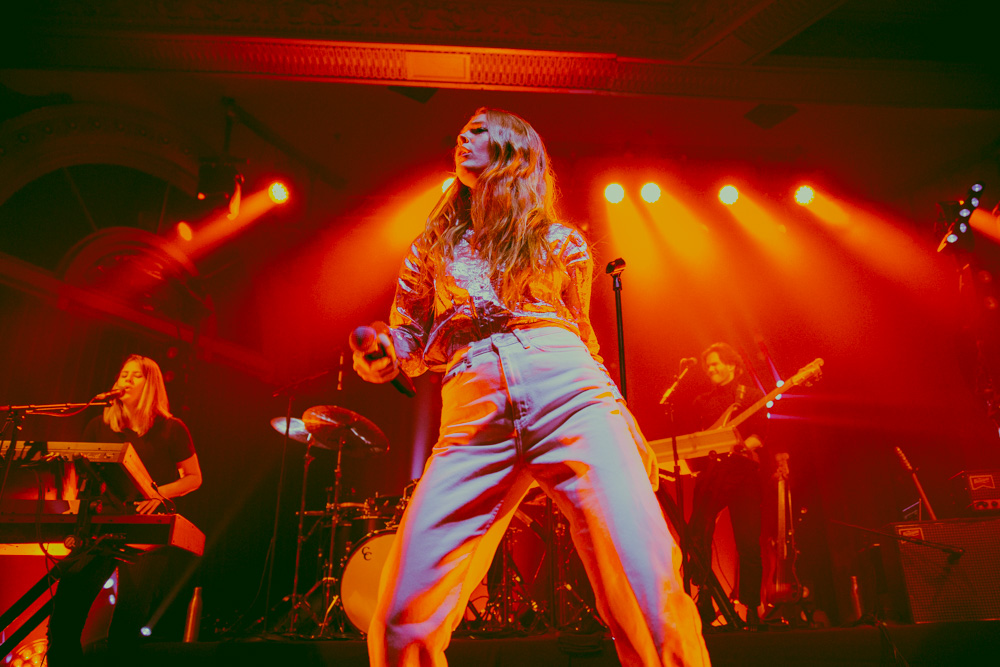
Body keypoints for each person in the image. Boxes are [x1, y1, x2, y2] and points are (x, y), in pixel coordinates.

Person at [351, 108, 709, 666]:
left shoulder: (561, 241)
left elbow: (581, 334)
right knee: (401, 621)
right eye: (459, 131)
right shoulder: (434, 247)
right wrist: (384, 356)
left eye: (478, 129)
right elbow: (410, 337)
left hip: (570, 390)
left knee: (650, 595)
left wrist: (618, 420)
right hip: (473, 412)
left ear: (515, 148)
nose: (462, 136)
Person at [47, 354, 202, 664]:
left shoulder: (172, 428)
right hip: (100, 524)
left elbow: (194, 478)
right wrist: (71, 506)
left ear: (151, 385)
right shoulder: (97, 424)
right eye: (123, 375)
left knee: (127, 623)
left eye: (135, 376)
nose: (125, 380)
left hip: (148, 529)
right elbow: (78, 474)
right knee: (65, 614)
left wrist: (158, 494)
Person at [685, 343, 766, 630]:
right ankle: (704, 597)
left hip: (743, 475)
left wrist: (745, 446)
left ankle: (751, 608)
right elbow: (696, 441)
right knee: (698, 534)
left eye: (716, 364)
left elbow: (761, 436)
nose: (711, 369)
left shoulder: (753, 396)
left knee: (748, 543)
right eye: (708, 366)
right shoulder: (701, 402)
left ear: (732, 365)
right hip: (712, 474)